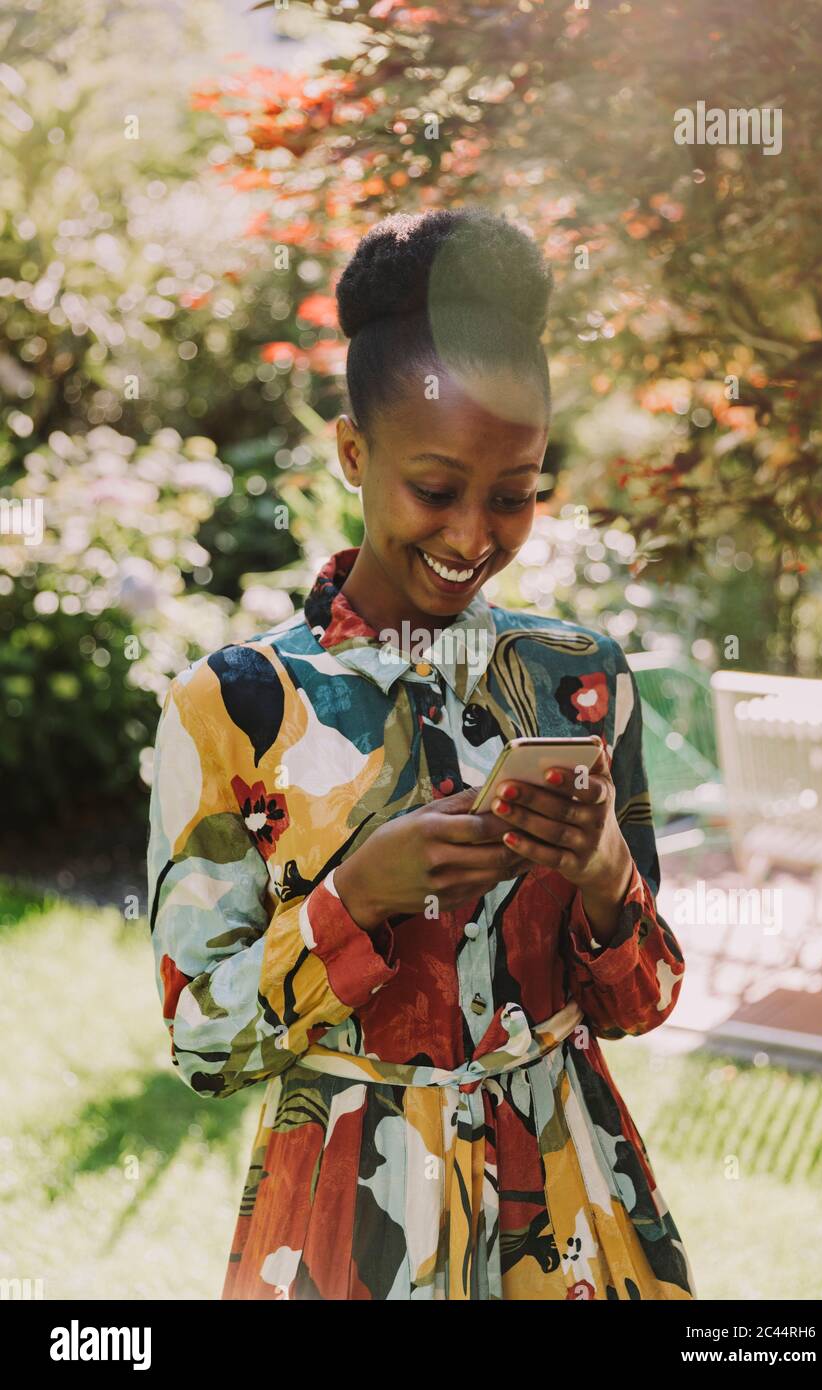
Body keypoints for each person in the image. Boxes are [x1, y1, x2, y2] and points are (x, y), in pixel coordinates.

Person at [147, 207, 698, 1300]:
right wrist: (353, 895)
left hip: (573, 1210)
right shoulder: (236, 704)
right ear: (353, 453)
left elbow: (641, 1003)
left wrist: (600, 875)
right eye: (435, 489)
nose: (471, 538)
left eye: (514, 495)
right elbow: (204, 1045)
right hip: (351, 1221)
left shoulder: (579, 677)